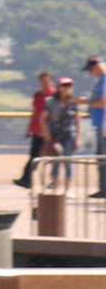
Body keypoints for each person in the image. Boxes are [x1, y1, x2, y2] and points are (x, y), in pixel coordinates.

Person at [14, 70, 56, 189]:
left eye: (47, 81)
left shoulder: (55, 96)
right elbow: (35, 113)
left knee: (54, 157)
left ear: (51, 82)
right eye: (42, 81)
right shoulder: (38, 95)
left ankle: (54, 181)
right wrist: (29, 128)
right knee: (34, 155)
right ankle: (27, 179)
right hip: (38, 131)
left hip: (51, 131)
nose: (44, 83)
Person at [45, 76, 82, 184]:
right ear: (59, 87)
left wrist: (78, 138)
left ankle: (68, 186)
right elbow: (43, 118)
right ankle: (55, 183)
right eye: (64, 85)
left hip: (69, 134)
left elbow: (78, 121)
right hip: (56, 134)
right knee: (56, 160)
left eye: (69, 85)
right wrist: (47, 133)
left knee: (68, 160)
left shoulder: (73, 102)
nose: (67, 88)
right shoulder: (51, 102)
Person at [86, 56, 106, 197]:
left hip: (103, 125)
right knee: (101, 157)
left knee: (102, 158)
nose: (90, 73)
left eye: (90, 70)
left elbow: (102, 103)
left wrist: (84, 102)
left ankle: (104, 189)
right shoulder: (101, 81)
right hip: (100, 124)